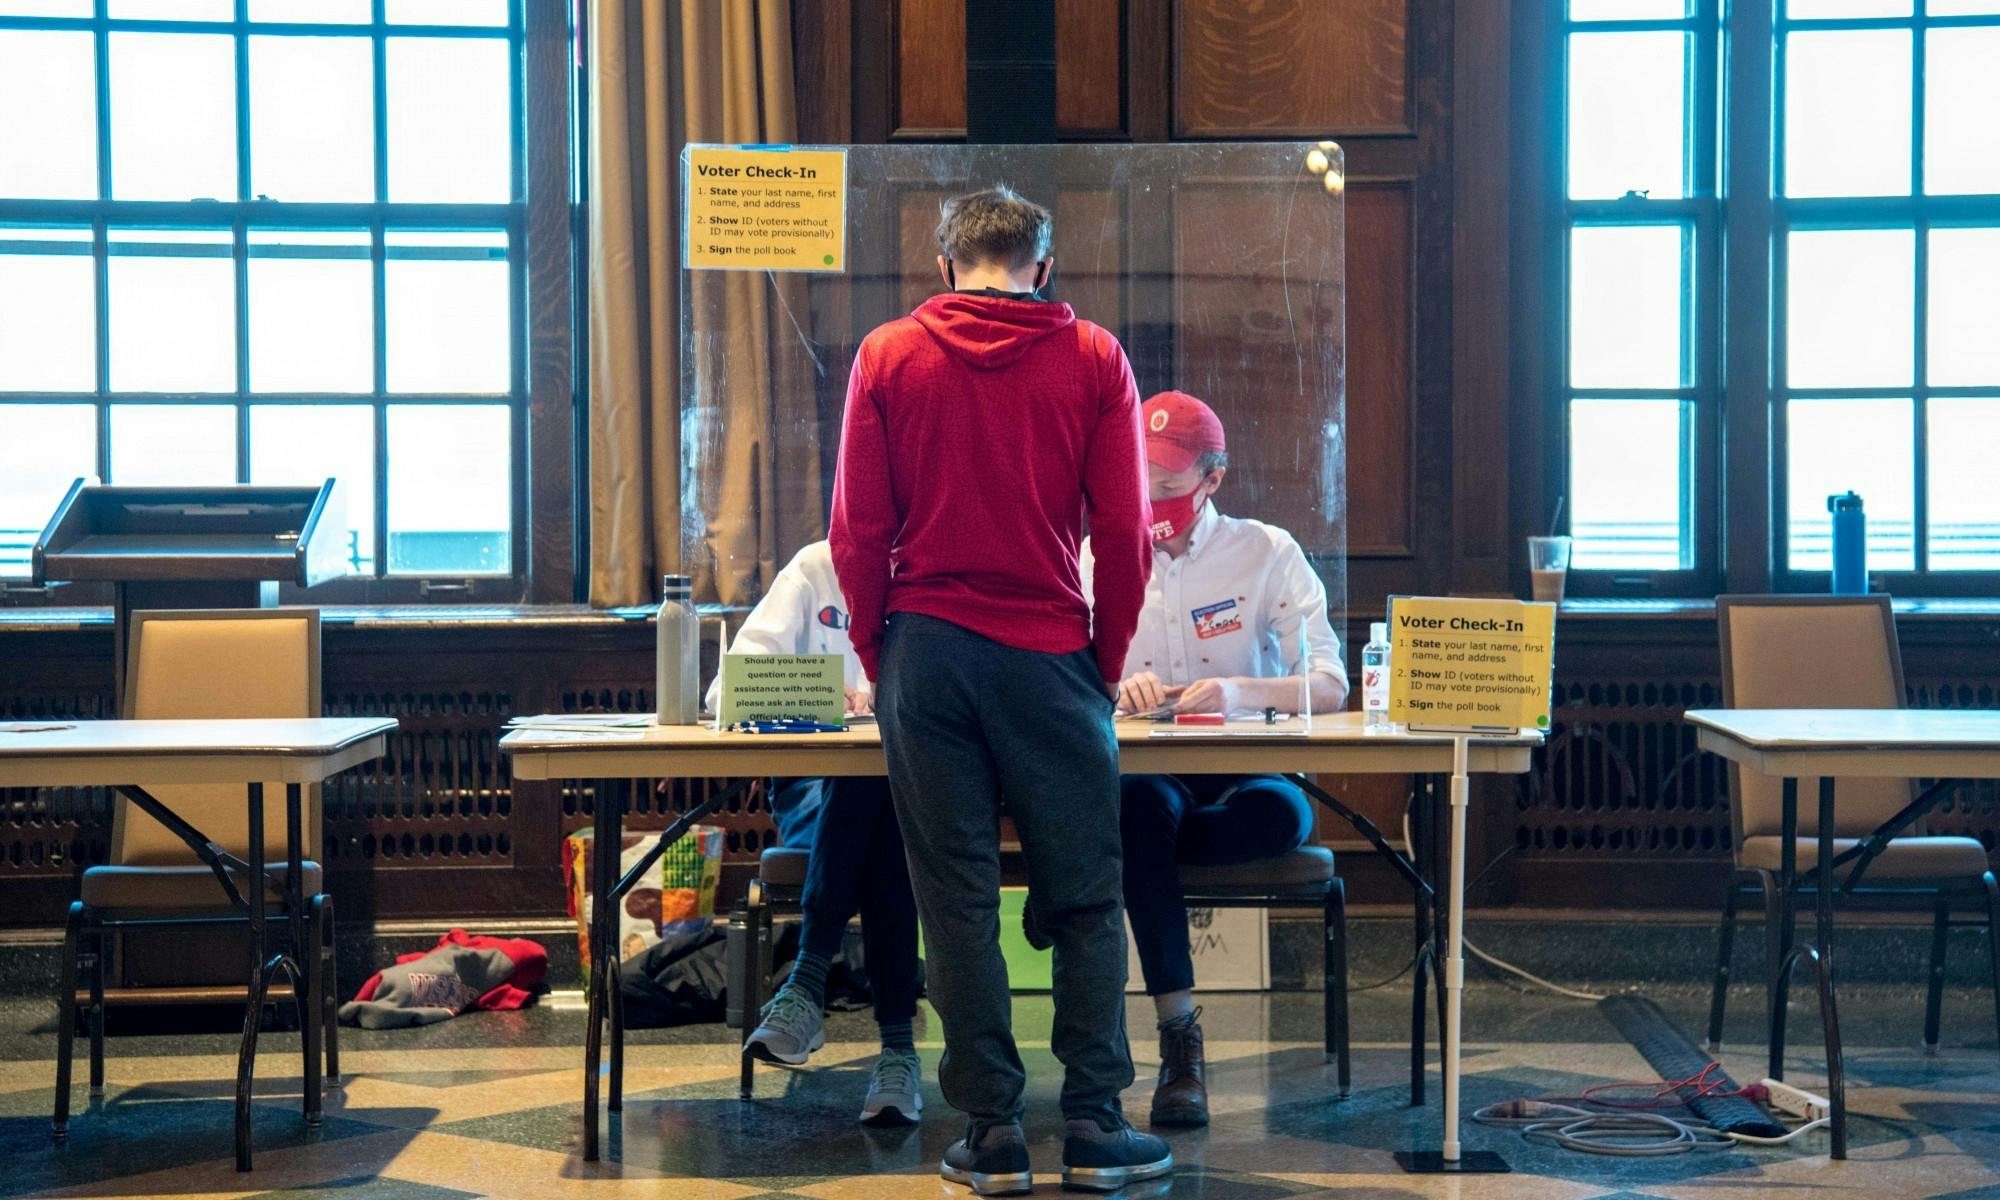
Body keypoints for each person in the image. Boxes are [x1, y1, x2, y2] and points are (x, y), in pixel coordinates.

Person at [829, 186, 1170, 1196]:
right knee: (1083, 892)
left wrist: (882, 653)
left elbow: (857, 533)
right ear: (1042, 266)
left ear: (944, 268)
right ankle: (1097, 1124)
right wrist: (1100, 664)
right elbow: (1123, 533)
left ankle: (991, 1133)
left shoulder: (887, 355)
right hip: (1048, 648)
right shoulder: (1093, 358)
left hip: (927, 649)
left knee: (956, 899)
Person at [1084, 390, 1346, 1129]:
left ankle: (1103, 866)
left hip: (1247, 765)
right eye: (1141, 485)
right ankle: (1180, 1038)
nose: (1152, 501)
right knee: (1139, 813)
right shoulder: (1098, 554)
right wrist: (1112, 684)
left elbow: (1329, 685)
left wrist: (1235, 689)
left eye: (1168, 487)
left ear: (1213, 479)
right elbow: (1061, 682)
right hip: (1149, 771)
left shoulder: (1265, 552)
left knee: (1273, 818)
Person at [713, 540, 923, 1126]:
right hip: (815, 791)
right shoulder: (814, 567)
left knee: (882, 797)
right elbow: (725, 692)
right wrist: (826, 696)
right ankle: (898, 1053)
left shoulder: (946, 569)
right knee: (868, 796)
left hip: (916, 792)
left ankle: (805, 986)